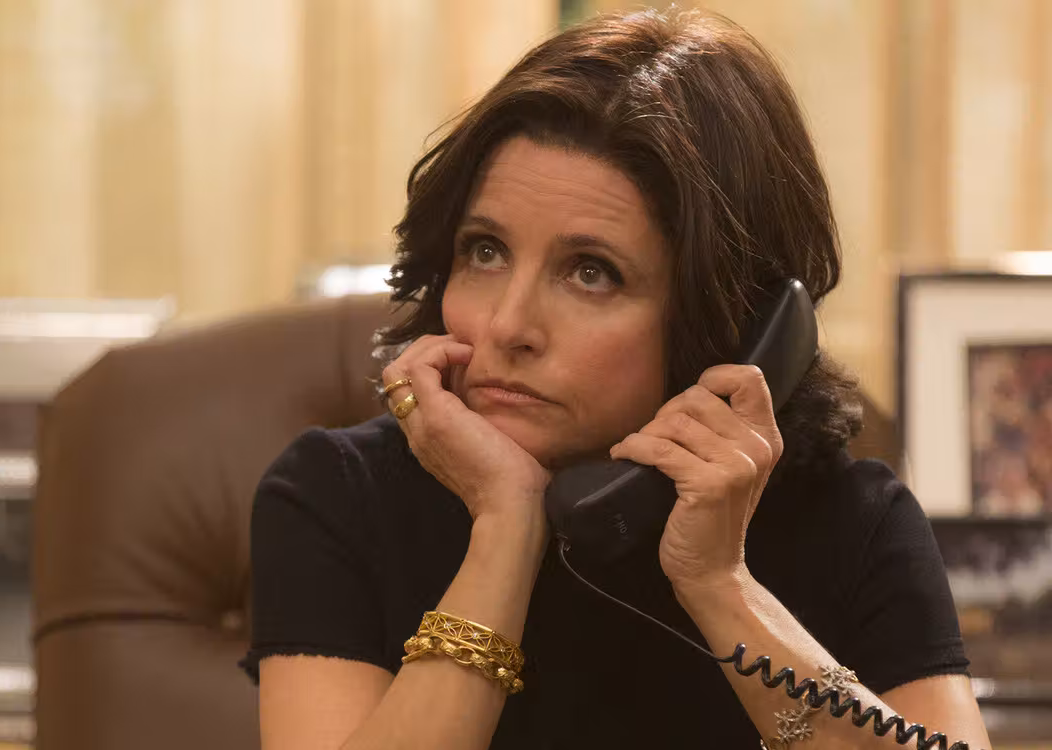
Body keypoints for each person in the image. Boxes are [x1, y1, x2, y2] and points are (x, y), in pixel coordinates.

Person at [242, 8, 992, 750]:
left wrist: (720, 584)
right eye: (485, 251)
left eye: (591, 272)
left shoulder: (853, 522)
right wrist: (505, 527)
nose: (507, 326)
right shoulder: (336, 496)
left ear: (733, 324)